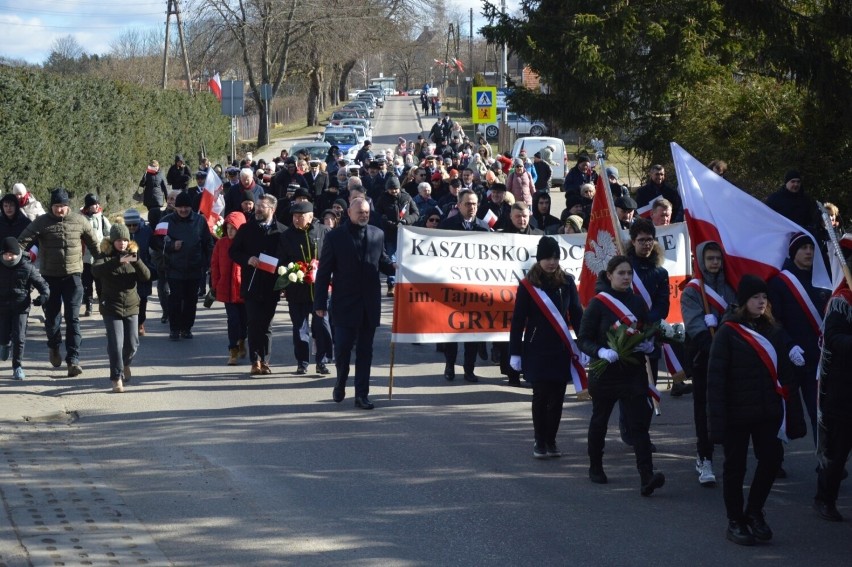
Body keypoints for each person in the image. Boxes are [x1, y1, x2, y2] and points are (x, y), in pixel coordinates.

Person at [707, 275, 797, 546]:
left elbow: (784, 374)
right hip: (736, 413)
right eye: (755, 297)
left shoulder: (774, 330)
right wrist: (717, 423)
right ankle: (735, 521)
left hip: (766, 412)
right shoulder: (728, 332)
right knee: (735, 468)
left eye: (764, 297)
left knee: (771, 460)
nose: (761, 302)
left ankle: (754, 511)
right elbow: (715, 380)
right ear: (743, 301)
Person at [578, 255, 664, 496]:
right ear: (609, 276)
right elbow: (583, 339)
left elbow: (647, 331)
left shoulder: (637, 303)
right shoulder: (598, 304)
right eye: (621, 273)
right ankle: (595, 466)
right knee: (600, 421)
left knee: (639, 424)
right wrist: (601, 351)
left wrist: (648, 346)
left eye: (629, 273)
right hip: (605, 374)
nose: (626, 277)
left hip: (632, 372)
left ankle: (646, 476)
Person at [314, 198, 396, 409]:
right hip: (344, 304)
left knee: (365, 352)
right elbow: (323, 274)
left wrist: (400, 266)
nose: (363, 215)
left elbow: (384, 262)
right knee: (341, 349)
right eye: (360, 212)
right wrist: (320, 304)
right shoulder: (335, 237)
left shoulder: (377, 234)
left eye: (367, 212)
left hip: (369, 305)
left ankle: (362, 394)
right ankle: (341, 380)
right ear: (349, 212)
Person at [509, 236, 583, 458]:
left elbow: (577, 315)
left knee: (557, 397)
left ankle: (551, 440)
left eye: (555, 257)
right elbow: (518, 320)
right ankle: (539, 441)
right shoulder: (528, 285)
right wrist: (515, 352)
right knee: (540, 396)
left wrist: (584, 345)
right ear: (539, 258)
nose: (552, 262)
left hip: (561, 349)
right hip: (536, 349)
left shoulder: (567, 282)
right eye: (548, 258)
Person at [18, 188, 99, 376]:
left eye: (63, 206)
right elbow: (22, 241)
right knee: (53, 318)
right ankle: (54, 346)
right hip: (49, 279)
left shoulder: (80, 221)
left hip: (73, 276)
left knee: (73, 318)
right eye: (56, 206)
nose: (60, 210)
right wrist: (14, 259)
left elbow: (95, 245)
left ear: (67, 206)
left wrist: (103, 266)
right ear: (51, 206)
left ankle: (73, 360)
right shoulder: (42, 222)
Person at [680, 241, 737, 486]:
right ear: (701, 261)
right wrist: (712, 341)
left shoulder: (729, 287)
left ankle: (732, 453)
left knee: (731, 406)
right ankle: (704, 457)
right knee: (704, 410)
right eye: (710, 259)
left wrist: (723, 322)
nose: (714, 263)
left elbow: (737, 312)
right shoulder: (692, 290)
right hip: (704, 358)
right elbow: (694, 325)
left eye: (717, 259)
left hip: (731, 357)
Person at [768, 233, 830, 448]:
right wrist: (789, 345)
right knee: (781, 411)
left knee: (819, 412)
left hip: (818, 359)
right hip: (790, 359)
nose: (808, 252)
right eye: (803, 248)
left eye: (811, 247)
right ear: (793, 252)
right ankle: (775, 461)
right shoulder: (779, 283)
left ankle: (825, 462)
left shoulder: (823, 280)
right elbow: (774, 320)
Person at [814, 235, 852, 522]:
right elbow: (833, 338)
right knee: (838, 450)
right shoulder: (841, 301)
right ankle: (825, 498)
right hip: (844, 388)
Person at [229, 194, 287, 375]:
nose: (258, 209)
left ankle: (266, 359)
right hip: (251, 284)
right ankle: (255, 361)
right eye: (257, 206)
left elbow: (286, 257)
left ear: (272, 209)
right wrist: (248, 259)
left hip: (271, 285)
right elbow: (233, 252)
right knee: (253, 322)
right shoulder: (247, 229)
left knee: (267, 325)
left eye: (263, 206)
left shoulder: (282, 231)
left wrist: (284, 277)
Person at [91, 222, 151, 393]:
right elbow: (96, 271)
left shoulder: (133, 255)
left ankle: (125, 363)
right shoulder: (105, 255)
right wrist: (118, 261)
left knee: (132, 344)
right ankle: (116, 377)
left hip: (132, 305)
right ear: (112, 241)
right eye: (118, 240)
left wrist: (136, 260)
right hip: (111, 306)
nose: (122, 243)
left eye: (125, 240)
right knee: (116, 344)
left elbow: (146, 276)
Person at [279, 201, 331, 375]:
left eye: (300, 216)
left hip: (320, 290)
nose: (296, 219)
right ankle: (302, 362)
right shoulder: (287, 236)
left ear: (310, 216)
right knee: (300, 328)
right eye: (294, 216)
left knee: (321, 327)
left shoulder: (323, 231)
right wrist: (293, 270)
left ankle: (322, 361)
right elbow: (282, 261)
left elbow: (331, 257)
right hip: (297, 289)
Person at [154, 192, 213, 340]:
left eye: (186, 207)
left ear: (191, 207)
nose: (183, 210)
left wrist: (209, 263)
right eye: (180, 207)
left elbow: (208, 244)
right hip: (174, 269)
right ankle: (174, 329)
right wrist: (171, 245)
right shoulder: (166, 221)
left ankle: (186, 328)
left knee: (191, 300)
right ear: (175, 207)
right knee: (175, 300)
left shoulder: (200, 221)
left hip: (195, 269)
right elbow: (156, 242)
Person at [0, 237, 49, 380]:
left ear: (17, 253)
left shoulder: (26, 266)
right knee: (3, 336)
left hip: (21, 307)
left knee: (19, 337)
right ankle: (4, 344)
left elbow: (43, 285)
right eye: (6, 254)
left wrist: (43, 296)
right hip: (2, 307)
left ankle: (17, 366)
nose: (8, 258)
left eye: (11, 254)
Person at [210, 211, 248, 366]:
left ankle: (241, 340)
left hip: (243, 289)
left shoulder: (246, 244)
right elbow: (215, 265)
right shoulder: (221, 243)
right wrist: (215, 284)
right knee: (232, 320)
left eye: (234, 228)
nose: (231, 231)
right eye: (229, 228)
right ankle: (232, 350)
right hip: (226, 288)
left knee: (244, 321)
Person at [376, 176, 419, 296]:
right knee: (392, 259)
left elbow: (416, 213)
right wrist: (388, 223)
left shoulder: (407, 197)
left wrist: (406, 221)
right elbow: (378, 214)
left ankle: (406, 284)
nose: (394, 191)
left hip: (406, 233)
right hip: (390, 234)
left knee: (406, 259)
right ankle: (392, 284)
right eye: (391, 189)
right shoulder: (383, 199)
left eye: (395, 189)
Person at [124, 209, 155, 336]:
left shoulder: (147, 231)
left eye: (134, 225)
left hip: (143, 269)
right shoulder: (121, 232)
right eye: (129, 225)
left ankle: (140, 323)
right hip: (126, 272)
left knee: (142, 299)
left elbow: (154, 247)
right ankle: (128, 325)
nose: (132, 227)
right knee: (126, 299)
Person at [765, 170, 823, 238]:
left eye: (798, 182)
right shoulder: (774, 199)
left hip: (801, 237)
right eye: (793, 181)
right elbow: (768, 217)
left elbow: (812, 219)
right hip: (781, 236)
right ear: (787, 183)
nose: (796, 184)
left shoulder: (806, 200)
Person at [80, 193, 111, 317]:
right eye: (94, 204)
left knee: (100, 283)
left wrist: (106, 246)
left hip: (99, 257)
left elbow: (109, 233)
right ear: (88, 206)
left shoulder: (102, 218)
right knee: (86, 284)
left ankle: (102, 304)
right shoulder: (80, 218)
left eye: (98, 203)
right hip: (85, 257)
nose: (97, 206)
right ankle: (89, 306)